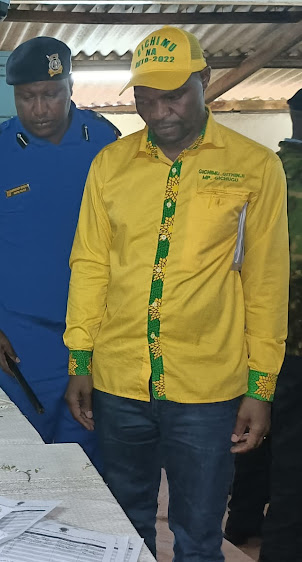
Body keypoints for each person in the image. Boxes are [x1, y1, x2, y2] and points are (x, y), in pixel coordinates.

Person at [63, 26, 289, 559]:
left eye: (175, 95)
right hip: (120, 381)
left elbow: (266, 282)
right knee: (123, 524)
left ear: (204, 81)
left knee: (197, 530)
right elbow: (90, 265)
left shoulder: (254, 167)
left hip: (208, 389)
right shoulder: (110, 166)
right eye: (145, 97)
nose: (160, 111)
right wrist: (80, 358)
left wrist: (261, 385)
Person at [0, 36, 119, 467]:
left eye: (51, 95)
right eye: (27, 97)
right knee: (17, 461)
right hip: (22, 338)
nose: (40, 109)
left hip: (99, 336)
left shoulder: (107, 143)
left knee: (87, 461)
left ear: (71, 88)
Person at [257, 88, 302, 561]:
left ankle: (244, 525)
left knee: (253, 443)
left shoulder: (266, 171)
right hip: (292, 343)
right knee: (292, 458)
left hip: (261, 339)